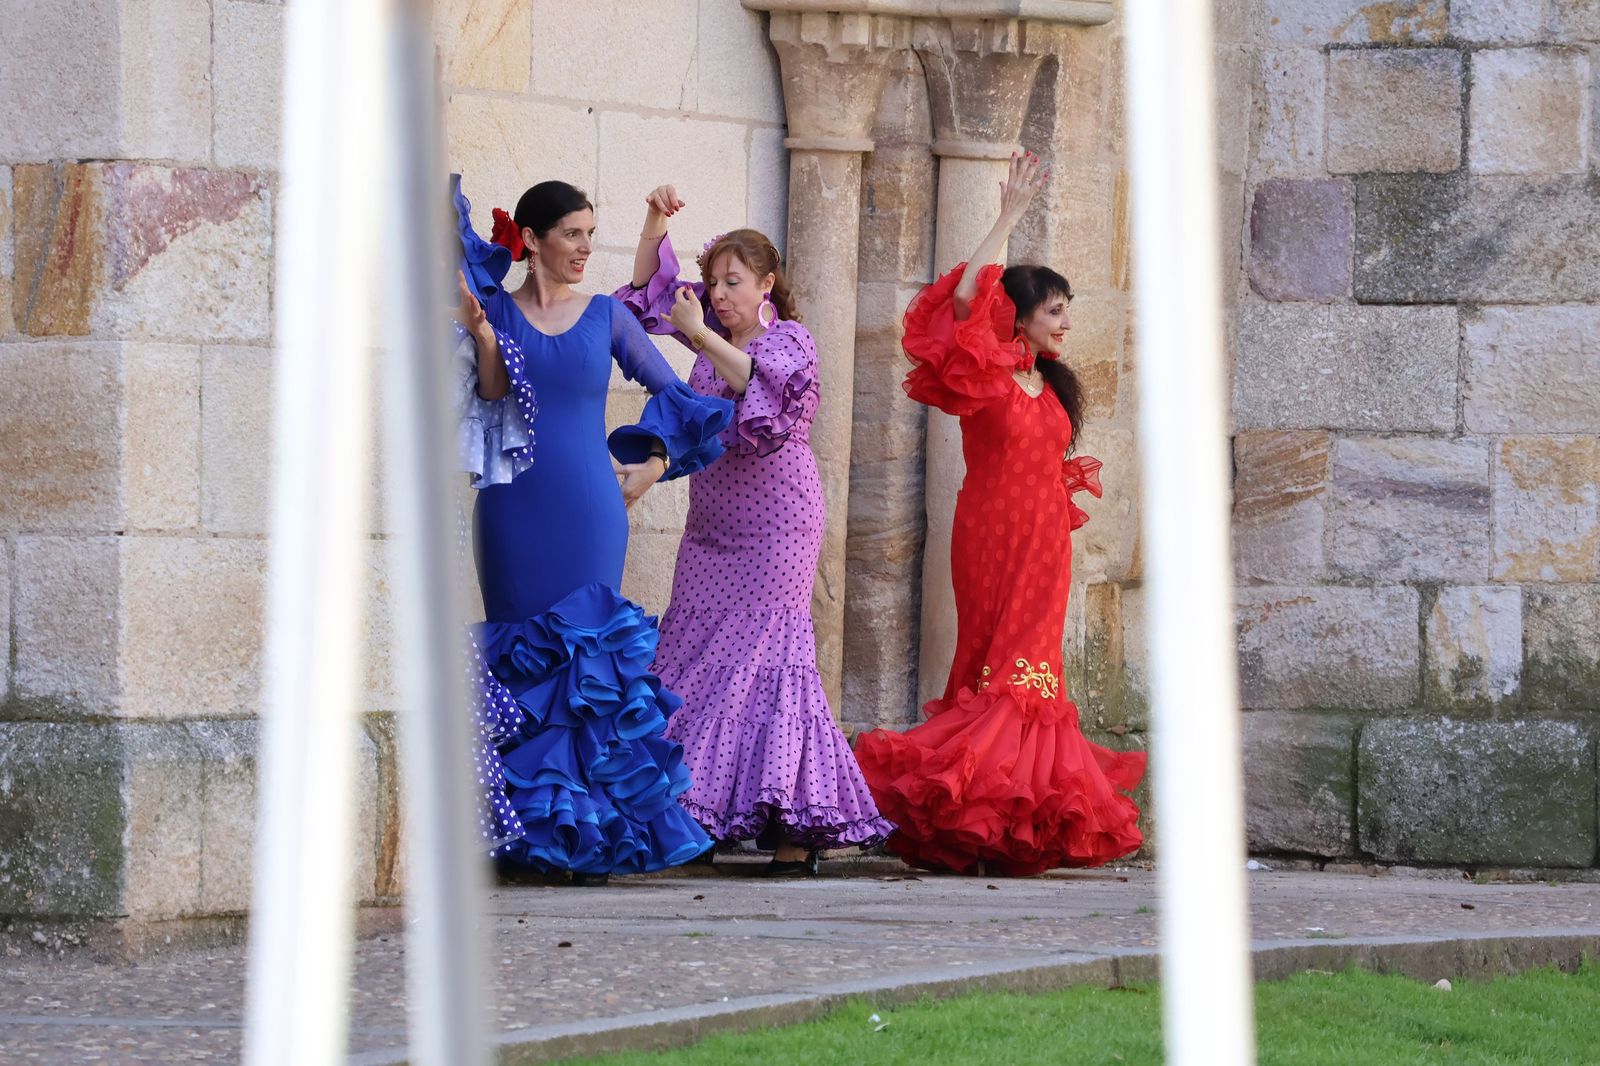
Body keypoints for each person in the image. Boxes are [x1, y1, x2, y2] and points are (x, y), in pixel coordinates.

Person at [853, 153, 1145, 877]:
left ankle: (1019, 817)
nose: (1066, 322)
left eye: (1066, 309)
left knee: (1035, 672)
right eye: (1055, 309)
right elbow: (956, 305)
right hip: (990, 536)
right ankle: (974, 810)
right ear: (1019, 314)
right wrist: (1009, 215)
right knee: (997, 669)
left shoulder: (1046, 385)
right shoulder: (983, 371)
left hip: (1045, 541)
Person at [451, 174, 734, 886]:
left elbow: (682, 396)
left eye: (589, 233)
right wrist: (483, 333)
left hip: (591, 512)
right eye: (572, 233)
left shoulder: (608, 316)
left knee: (589, 671)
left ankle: (588, 840)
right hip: (513, 509)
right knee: (522, 661)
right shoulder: (496, 311)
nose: (584, 247)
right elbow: (492, 395)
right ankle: (521, 838)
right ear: (534, 240)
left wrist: (654, 462)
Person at [615, 185, 892, 876]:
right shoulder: (709, 344)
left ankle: (794, 825)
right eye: (713, 283)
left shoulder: (789, 342)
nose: (720, 294)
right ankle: (691, 813)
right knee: (693, 654)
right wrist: (654, 223)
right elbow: (649, 294)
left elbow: (760, 387)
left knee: (766, 661)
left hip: (779, 528)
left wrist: (702, 328)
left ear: (767, 283)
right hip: (712, 527)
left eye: (732, 282)